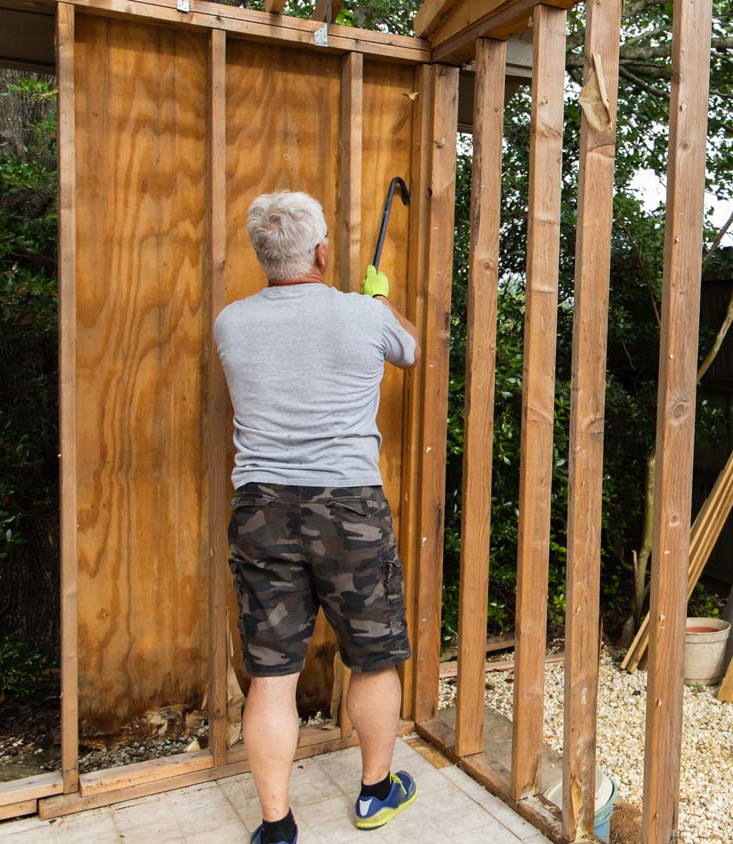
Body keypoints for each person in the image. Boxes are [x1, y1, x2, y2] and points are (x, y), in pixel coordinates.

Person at [214, 191, 420, 844]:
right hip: (348, 509)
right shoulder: (363, 314)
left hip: (262, 509)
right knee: (374, 656)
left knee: (271, 675)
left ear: (263, 256)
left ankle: (276, 829)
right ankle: (376, 792)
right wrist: (379, 303)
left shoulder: (230, 322)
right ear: (323, 252)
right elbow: (410, 351)